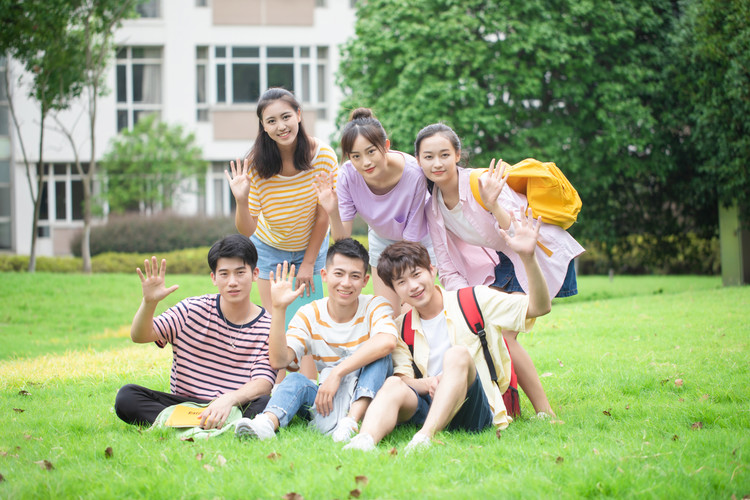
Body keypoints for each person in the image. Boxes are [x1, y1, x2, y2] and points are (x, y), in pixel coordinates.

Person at [343, 211, 551, 453]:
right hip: (430, 404)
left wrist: (528, 258)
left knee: (458, 355)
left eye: (416, 274)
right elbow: (403, 379)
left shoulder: (473, 299)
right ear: (395, 290)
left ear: (432, 270)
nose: (413, 286)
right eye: (401, 282)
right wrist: (430, 382)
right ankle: (365, 440)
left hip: (475, 407)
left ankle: (424, 437)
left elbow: (539, 307)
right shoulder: (401, 325)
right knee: (391, 383)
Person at [414, 123, 585, 417]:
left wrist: (493, 204)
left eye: (444, 154)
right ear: (418, 161)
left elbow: (520, 231)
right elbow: (446, 262)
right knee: (489, 331)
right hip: (502, 262)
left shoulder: (482, 182)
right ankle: (510, 406)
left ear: (457, 154)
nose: (437, 163)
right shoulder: (434, 207)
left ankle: (546, 413)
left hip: (537, 252)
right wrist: (464, 304)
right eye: (428, 157)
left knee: (504, 337)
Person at [234, 238, 397, 443]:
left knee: (380, 356)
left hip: (368, 397)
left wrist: (337, 372)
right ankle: (267, 422)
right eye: (339, 274)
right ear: (325, 275)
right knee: (295, 380)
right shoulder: (309, 313)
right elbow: (279, 360)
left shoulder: (375, 305)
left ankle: (350, 423)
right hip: (327, 399)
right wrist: (278, 309)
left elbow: (388, 342)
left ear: (365, 281)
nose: (346, 283)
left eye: (354, 276)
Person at [226, 87, 338, 379]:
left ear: (299, 115)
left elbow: (323, 214)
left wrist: (310, 262)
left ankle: (309, 388)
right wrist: (240, 199)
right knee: (276, 321)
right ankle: (275, 388)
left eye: (286, 116)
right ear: (263, 126)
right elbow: (247, 229)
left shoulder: (322, 156)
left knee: (310, 321)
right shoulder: (256, 166)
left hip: (311, 245)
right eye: (271, 121)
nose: (281, 126)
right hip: (269, 247)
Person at [114, 234, 276, 429]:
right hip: (184, 404)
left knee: (266, 404)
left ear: (255, 274)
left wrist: (228, 400)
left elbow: (263, 383)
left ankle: (186, 424)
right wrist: (149, 303)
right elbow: (140, 335)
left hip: (232, 405)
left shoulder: (268, 325)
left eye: (240, 273)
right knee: (127, 396)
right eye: (224, 274)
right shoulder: (192, 309)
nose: (232, 282)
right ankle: (212, 424)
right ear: (213, 278)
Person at [313, 108, 433, 314]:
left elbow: (411, 237)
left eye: (371, 152)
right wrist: (332, 211)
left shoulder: (414, 173)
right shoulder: (347, 176)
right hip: (382, 240)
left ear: (385, 146)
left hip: (419, 243)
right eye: (356, 156)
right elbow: (343, 239)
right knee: (387, 314)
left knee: (413, 312)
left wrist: (405, 291)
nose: (365, 162)